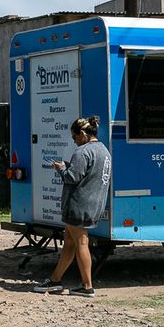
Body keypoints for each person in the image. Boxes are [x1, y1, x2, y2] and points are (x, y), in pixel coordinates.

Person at [34, 116, 112, 299]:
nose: (73, 140)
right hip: (94, 204)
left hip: (78, 204)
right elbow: (88, 175)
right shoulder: (104, 151)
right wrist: (69, 168)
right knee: (69, 242)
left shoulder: (82, 152)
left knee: (81, 243)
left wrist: (61, 168)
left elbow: (72, 178)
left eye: (74, 137)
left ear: (83, 134)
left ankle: (87, 286)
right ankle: (55, 280)